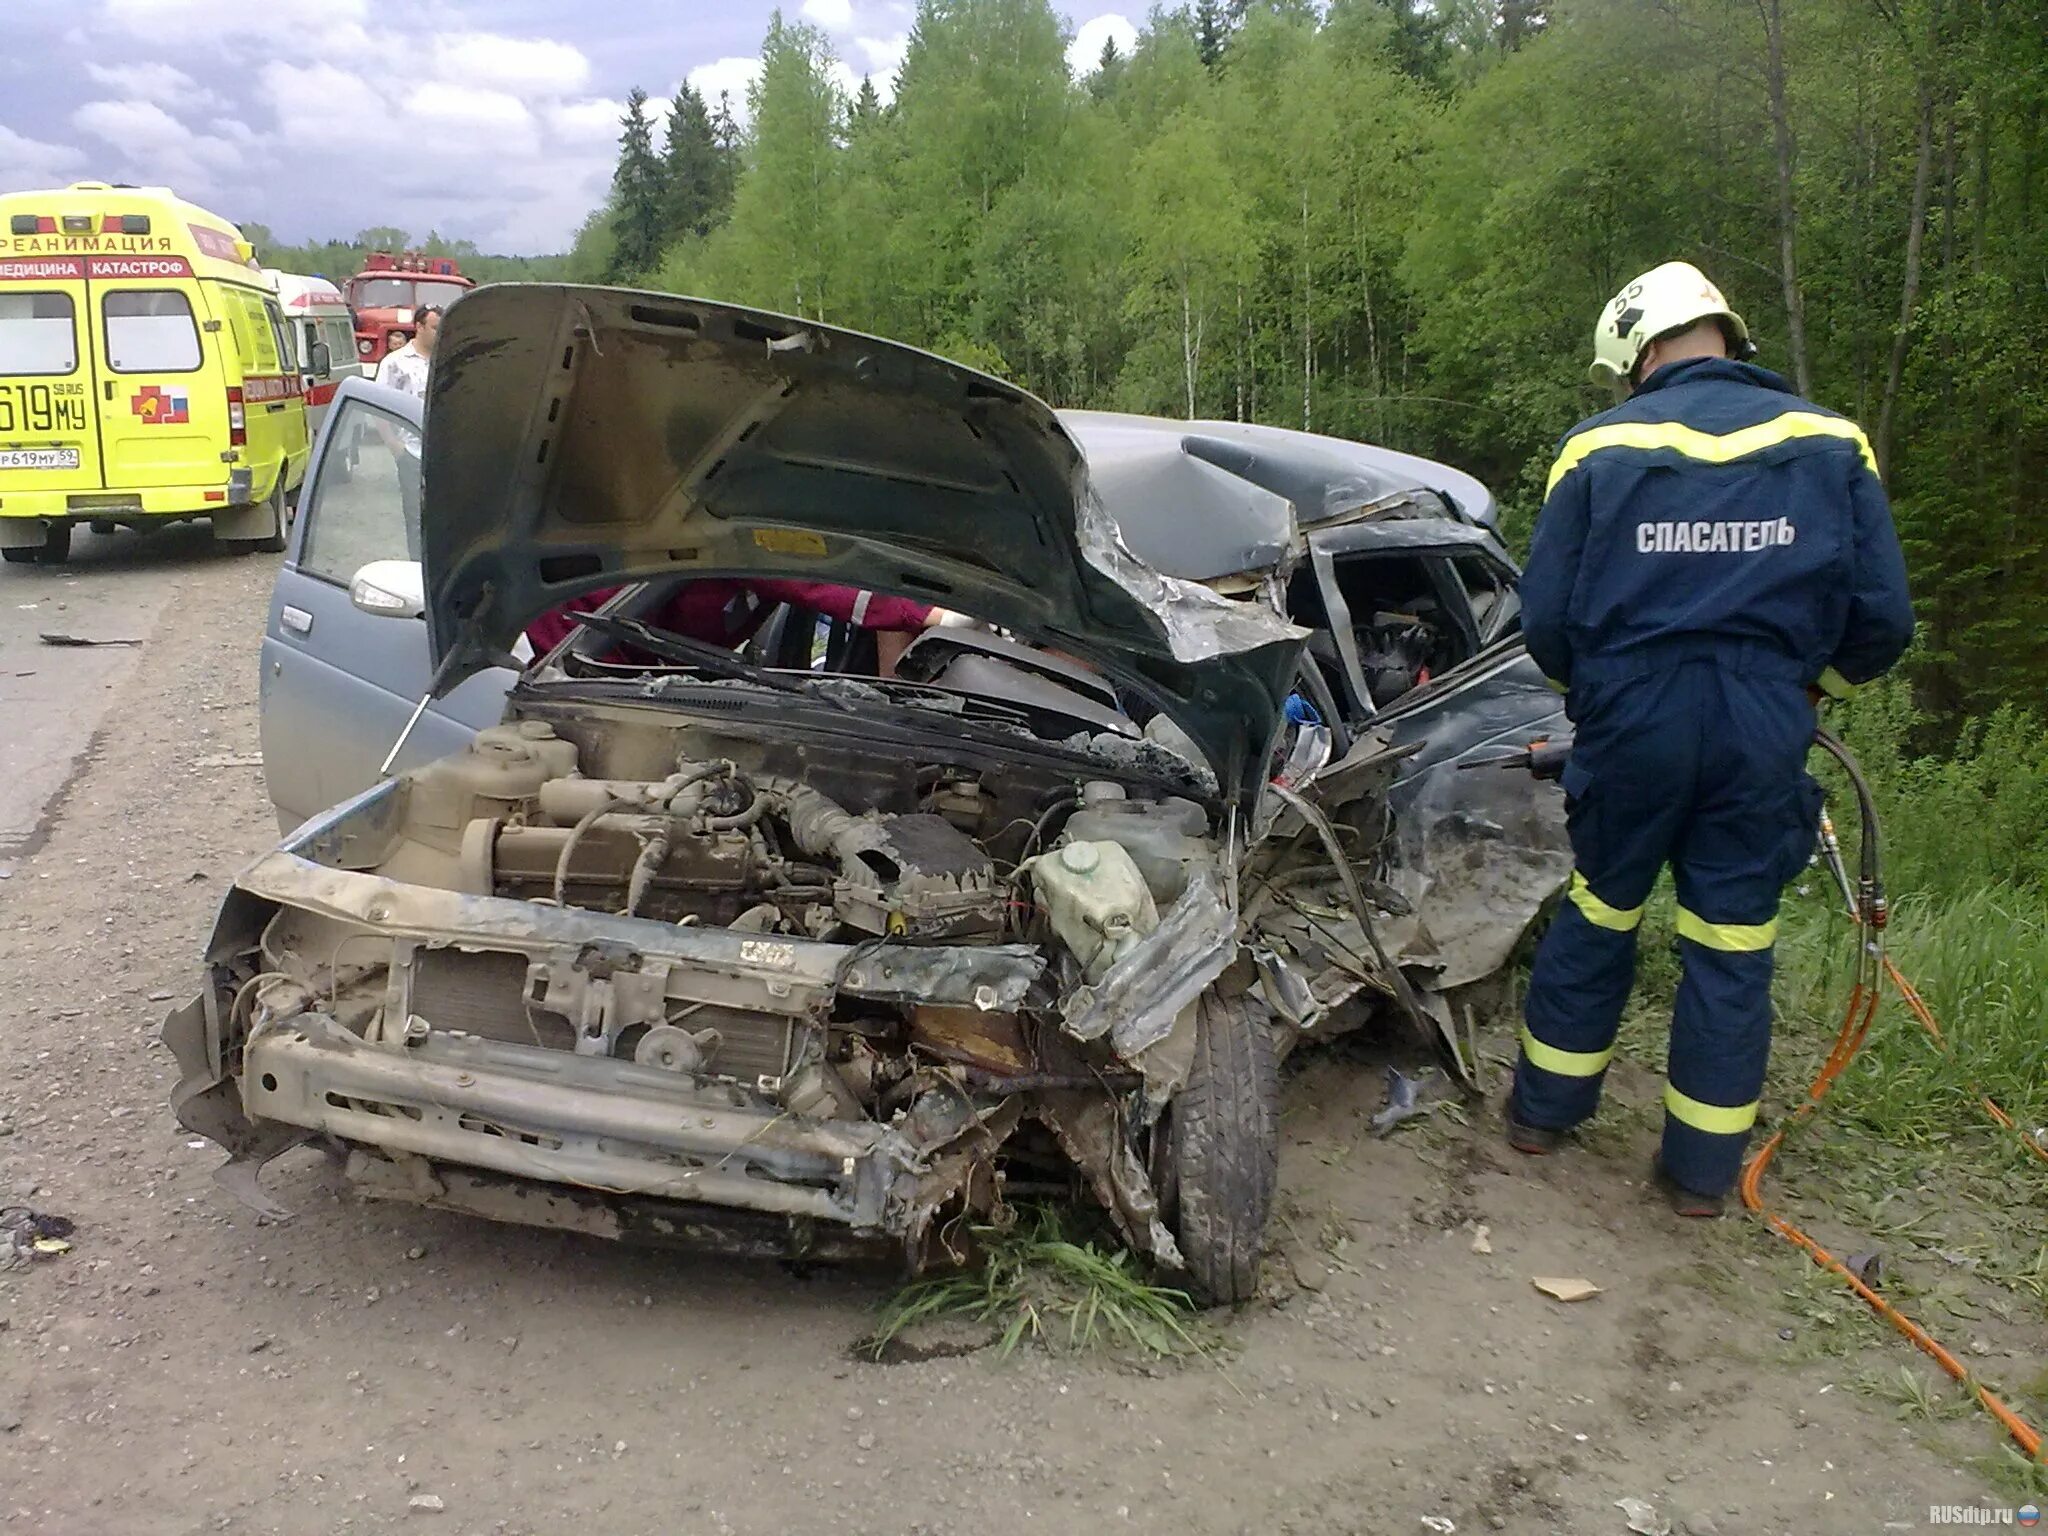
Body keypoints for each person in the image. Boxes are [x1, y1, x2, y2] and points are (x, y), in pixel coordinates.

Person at [1506, 260, 1915, 1217]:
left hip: (1632, 714)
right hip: (1763, 717)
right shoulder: (1831, 442)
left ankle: (1542, 1116)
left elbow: (1547, 621)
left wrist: (1595, 697)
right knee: (1732, 940)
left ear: (1641, 351)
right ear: (1725, 336)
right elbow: (1884, 620)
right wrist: (1808, 688)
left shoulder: (1595, 449)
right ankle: (1698, 1177)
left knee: (1602, 905)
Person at [524, 578, 945, 679]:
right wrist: (930, 613)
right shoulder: (751, 528)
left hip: (656, 670)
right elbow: (812, 578)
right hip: (580, 658)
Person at [372, 306, 440, 403]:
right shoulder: (393, 362)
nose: (441, 332)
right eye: (435, 328)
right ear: (419, 327)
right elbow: (380, 402)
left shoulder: (448, 361)